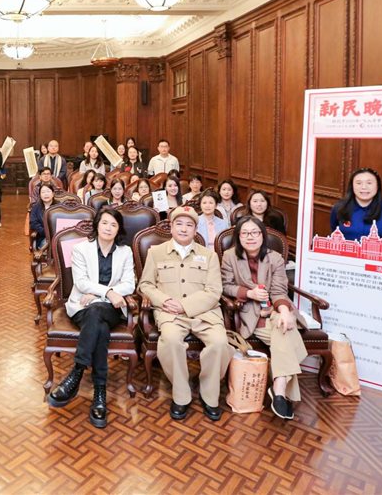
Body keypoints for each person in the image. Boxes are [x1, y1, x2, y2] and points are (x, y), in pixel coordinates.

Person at [138, 205, 231, 422]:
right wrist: (164, 301)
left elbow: (214, 291)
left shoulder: (209, 256)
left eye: (189, 225)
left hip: (205, 314)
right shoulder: (156, 252)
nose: (183, 229)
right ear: (171, 227)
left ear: (195, 230)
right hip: (170, 313)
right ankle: (181, 393)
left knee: (220, 343)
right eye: (179, 224)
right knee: (170, 341)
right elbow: (146, 285)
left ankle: (209, 394)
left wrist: (185, 306)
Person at [47, 207, 135, 428]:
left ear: (119, 229)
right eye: (104, 222)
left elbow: (129, 284)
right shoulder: (81, 249)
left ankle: (77, 371)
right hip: (83, 307)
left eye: (113, 225)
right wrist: (109, 292)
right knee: (100, 326)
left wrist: (102, 295)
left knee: (97, 312)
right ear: (97, 224)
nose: (108, 228)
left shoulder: (125, 252)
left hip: (110, 308)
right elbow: (81, 282)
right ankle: (99, 392)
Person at [221, 216, 307, 420]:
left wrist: (284, 311)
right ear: (238, 237)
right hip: (250, 314)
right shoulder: (229, 256)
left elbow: (278, 291)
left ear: (262, 235)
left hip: (275, 311)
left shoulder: (275, 258)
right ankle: (280, 390)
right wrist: (248, 293)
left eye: (255, 232)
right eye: (245, 233)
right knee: (287, 334)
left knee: (283, 325)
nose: (250, 237)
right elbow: (225, 286)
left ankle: (279, 389)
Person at [329, 168, 382, 245]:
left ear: (377, 186)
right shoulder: (339, 208)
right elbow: (334, 231)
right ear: (352, 186)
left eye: (369, 183)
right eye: (358, 183)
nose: (364, 187)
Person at [29, 182, 57, 249]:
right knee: (48, 244)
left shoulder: (59, 207)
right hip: (43, 237)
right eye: (43, 192)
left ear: (53, 194)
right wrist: (46, 232)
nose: (46, 194)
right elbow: (33, 223)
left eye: (48, 191)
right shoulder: (36, 207)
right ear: (40, 195)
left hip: (58, 236)